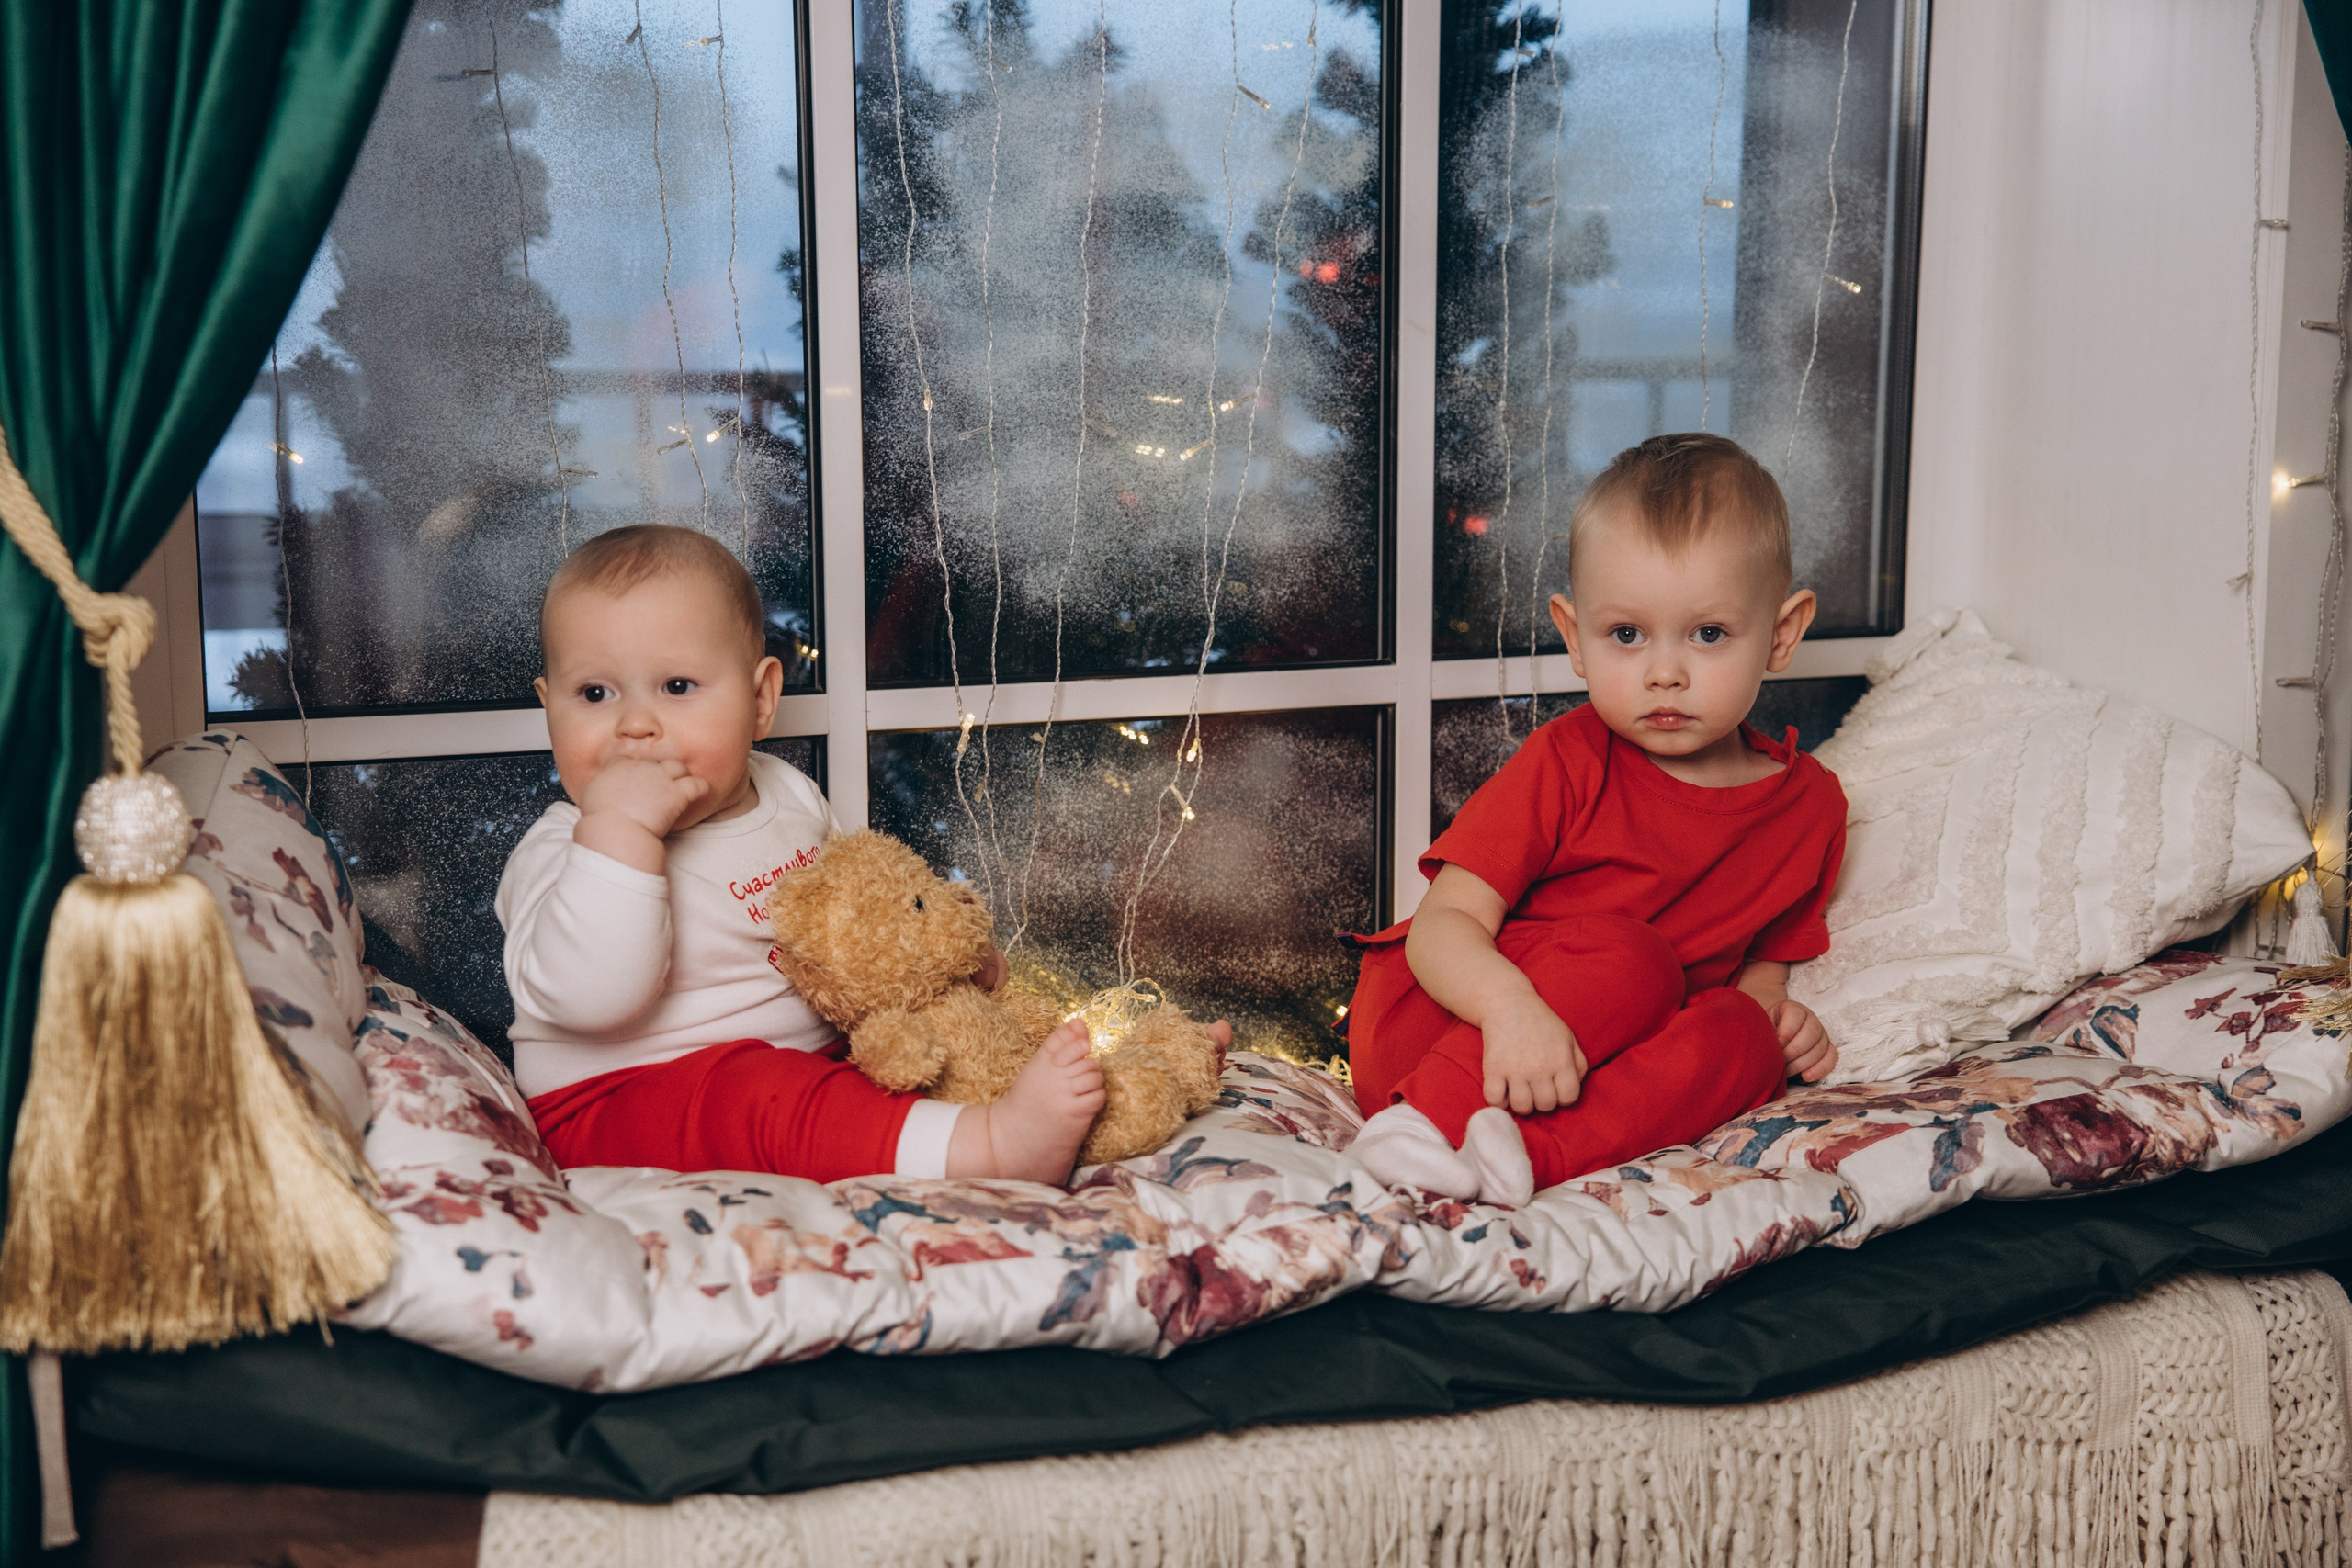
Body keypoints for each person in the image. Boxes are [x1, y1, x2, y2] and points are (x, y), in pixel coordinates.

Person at [500, 524, 1125, 1186]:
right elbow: (595, 1000)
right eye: (594, 694)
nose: (634, 725)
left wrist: (941, 966)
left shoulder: (788, 793)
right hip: (621, 1103)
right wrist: (621, 830)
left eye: (677, 687)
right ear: (549, 709)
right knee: (759, 1091)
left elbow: (858, 923)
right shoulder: (565, 848)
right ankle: (992, 1148)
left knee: (932, 1048)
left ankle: (1084, 1098)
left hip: (806, 1071)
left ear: (760, 699)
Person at [1347, 434, 1848, 1207]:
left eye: (1708, 634)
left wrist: (1783, 1023)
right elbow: (1442, 928)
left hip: (1575, 1076)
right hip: (1445, 1023)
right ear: (1575, 636)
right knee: (1636, 959)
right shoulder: (1568, 759)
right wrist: (1510, 1007)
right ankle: (1418, 1128)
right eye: (1626, 635)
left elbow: (1762, 968)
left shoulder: (1810, 807)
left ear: (1781, 634)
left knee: (1745, 1037)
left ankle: (1520, 1158)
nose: (1664, 672)